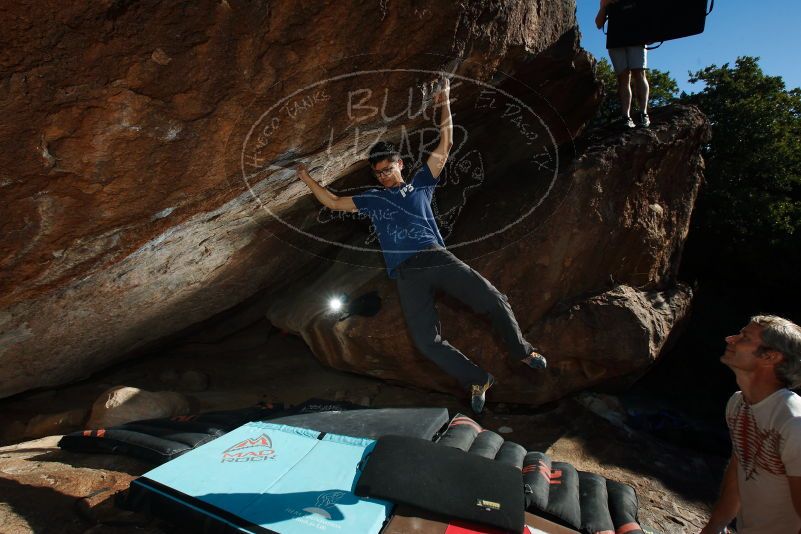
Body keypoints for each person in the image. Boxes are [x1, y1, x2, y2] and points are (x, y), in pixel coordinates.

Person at [295, 77, 547, 414]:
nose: (384, 176)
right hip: (405, 274)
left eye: (388, 169)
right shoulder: (371, 199)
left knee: (491, 298)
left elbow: (446, 142)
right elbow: (331, 201)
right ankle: (476, 378)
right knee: (426, 342)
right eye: (378, 173)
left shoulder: (420, 186)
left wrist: (443, 98)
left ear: (400, 163)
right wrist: (306, 177)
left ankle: (523, 352)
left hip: (435, 258)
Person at [700, 315, 801, 534]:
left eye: (744, 337)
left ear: (770, 356)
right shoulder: (739, 403)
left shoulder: (793, 422)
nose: (730, 339)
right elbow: (740, 465)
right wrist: (715, 526)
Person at [595, 0, 651, 128]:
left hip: (637, 36)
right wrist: (605, 6)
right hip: (616, 39)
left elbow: (650, 12)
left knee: (639, 73)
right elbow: (599, 23)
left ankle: (643, 113)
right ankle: (626, 116)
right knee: (623, 78)